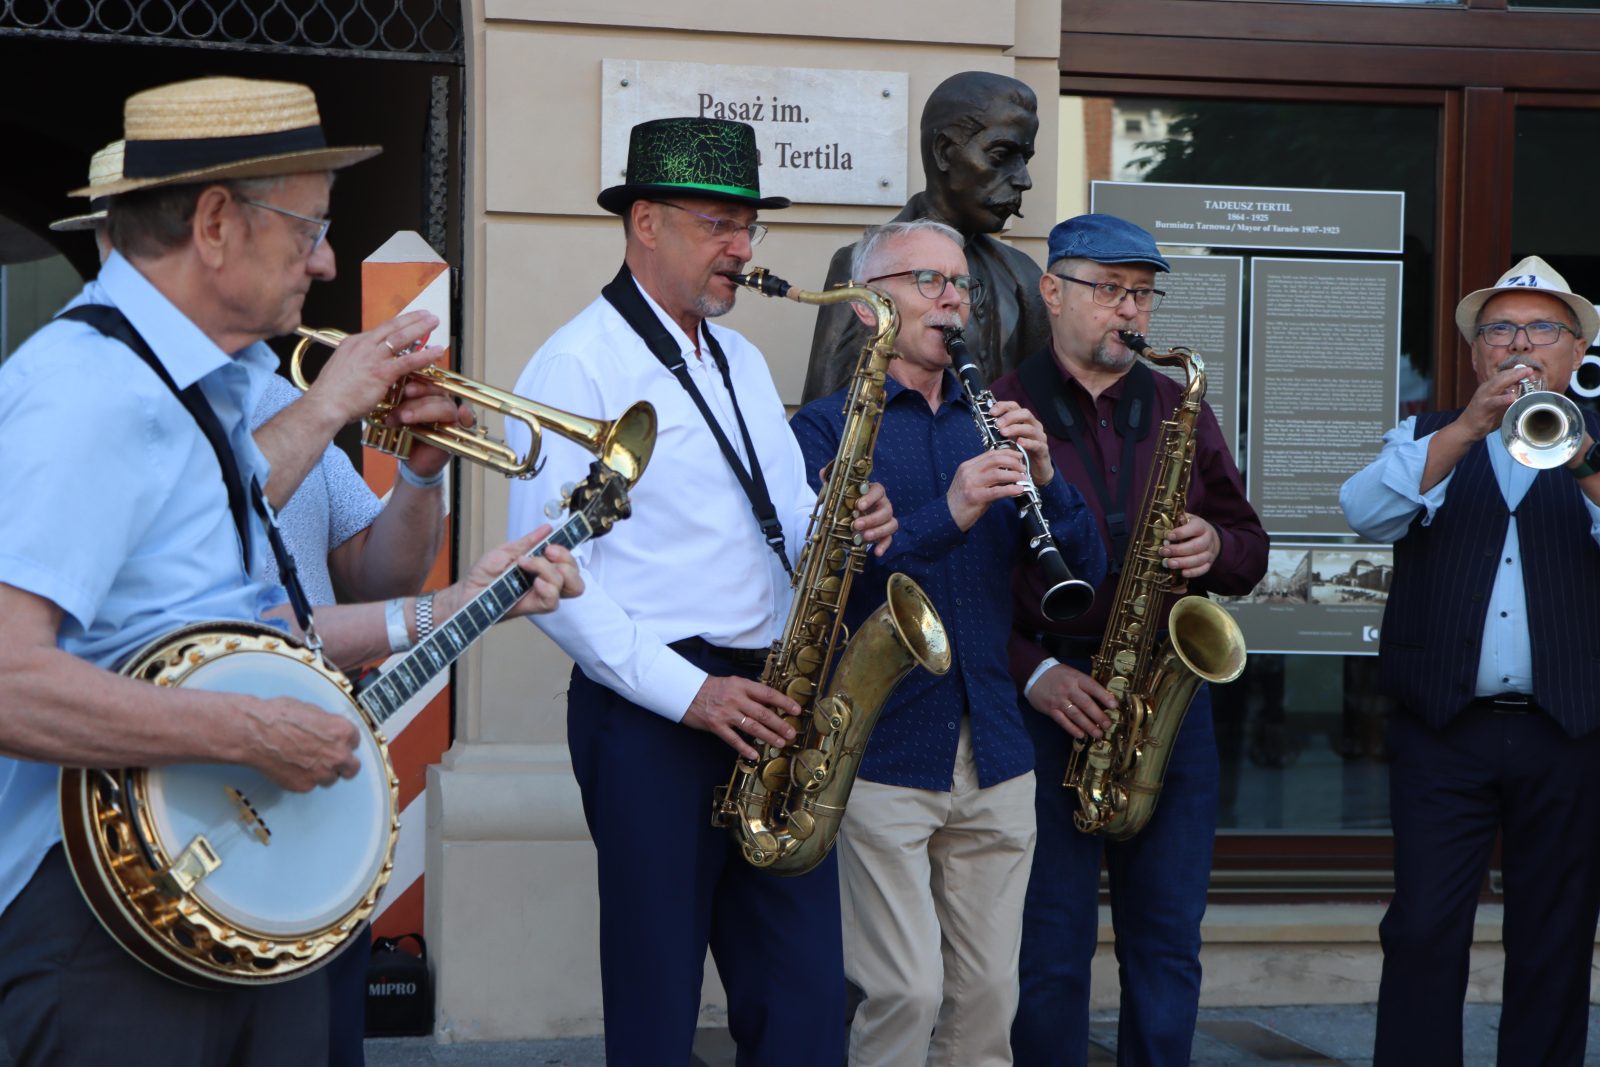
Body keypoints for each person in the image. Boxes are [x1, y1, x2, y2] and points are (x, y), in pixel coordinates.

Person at [0, 76, 581, 1067]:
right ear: (215, 224)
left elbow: (253, 627)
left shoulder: (215, 388)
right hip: (111, 930)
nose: (324, 260)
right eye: (308, 227)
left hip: (228, 906)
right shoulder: (84, 391)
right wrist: (247, 730)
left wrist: (448, 564)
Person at [504, 116, 896, 1066]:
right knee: (657, 1002)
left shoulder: (742, 361)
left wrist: (841, 522)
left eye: (750, 226)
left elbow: (785, 516)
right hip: (652, 714)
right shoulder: (576, 364)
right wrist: (693, 694)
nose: (744, 248)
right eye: (719, 224)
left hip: (770, 698)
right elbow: (552, 576)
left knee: (806, 1002)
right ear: (645, 222)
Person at [791, 219, 1105, 1066]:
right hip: (883, 744)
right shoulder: (825, 431)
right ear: (869, 306)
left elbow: (1086, 570)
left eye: (959, 283)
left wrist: (1047, 479)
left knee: (989, 998)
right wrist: (952, 510)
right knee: (904, 992)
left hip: (995, 746)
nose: (951, 301)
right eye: (926, 281)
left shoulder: (993, 420)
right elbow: (827, 586)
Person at [991, 213, 1267, 1067]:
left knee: (1168, 941)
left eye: (1142, 294)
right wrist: (1035, 671)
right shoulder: (999, 406)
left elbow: (1250, 546)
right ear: (1052, 291)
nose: (1131, 311)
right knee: (1049, 945)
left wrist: (1215, 545)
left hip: (1163, 698)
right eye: (1110, 289)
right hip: (1051, 700)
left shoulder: (1180, 405)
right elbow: (965, 581)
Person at [1340, 256, 1600, 1066]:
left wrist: (1584, 462)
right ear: (1476, 350)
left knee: (1555, 933)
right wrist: (1464, 432)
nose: (1520, 344)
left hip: (1569, 730)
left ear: (1577, 350)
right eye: (1500, 329)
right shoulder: (1427, 435)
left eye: (1542, 329)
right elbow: (1363, 511)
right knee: (1423, 926)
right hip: (1444, 730)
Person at [802, 70, 1048, 405]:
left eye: (1024, 160)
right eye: (1000, 155)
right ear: (944, 151)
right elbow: (829, 412)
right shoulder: (866, 265)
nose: (1023, 180)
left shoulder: (1023, 274)